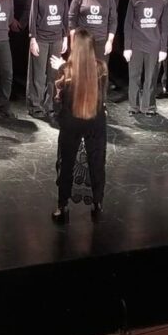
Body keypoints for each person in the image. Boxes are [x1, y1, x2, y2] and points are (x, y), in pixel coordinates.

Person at [50, 28, 108, 223]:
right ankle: (97, 203)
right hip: (95, 121)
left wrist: (62, 67)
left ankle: (62, 205)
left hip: (72, 122)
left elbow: (59, 100)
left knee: (66, 163)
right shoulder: (101, 68)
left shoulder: (67, 70)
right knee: (97, 161)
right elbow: (103, 97)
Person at [122, 0, 168, 116]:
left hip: (154, 46)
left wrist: (163, 48)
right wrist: (127, 47)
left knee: (151, 78)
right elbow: (128, 24)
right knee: (134, 77)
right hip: (136, 44)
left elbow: (164, 26)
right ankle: (133, 106)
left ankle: (148, 107)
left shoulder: (162, 0)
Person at [26, 0, 68, 119]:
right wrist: (33, 39)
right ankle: (35, 106)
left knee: (53, 74)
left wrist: (65, 38)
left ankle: (49, 105)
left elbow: (65, 17)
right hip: (41, 39)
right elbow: (33, 19)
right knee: (38, 74)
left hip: (56, 38)